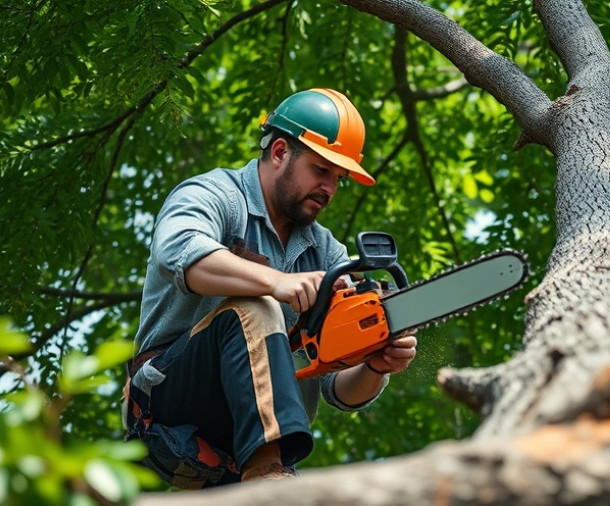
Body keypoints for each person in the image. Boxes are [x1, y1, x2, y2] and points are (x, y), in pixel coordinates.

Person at [124, 88, 417, 488]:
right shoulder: (215, 196)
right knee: (259, 309)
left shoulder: (328, 253)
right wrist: (278, 283)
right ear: (280, 152)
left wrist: (373, 364)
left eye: (338, 178)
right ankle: (269, 472)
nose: (330, 188)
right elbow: (180, 251)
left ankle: (268, 465)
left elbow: (337, 388)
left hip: (239, 441)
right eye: (321, 170)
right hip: (169, 401)